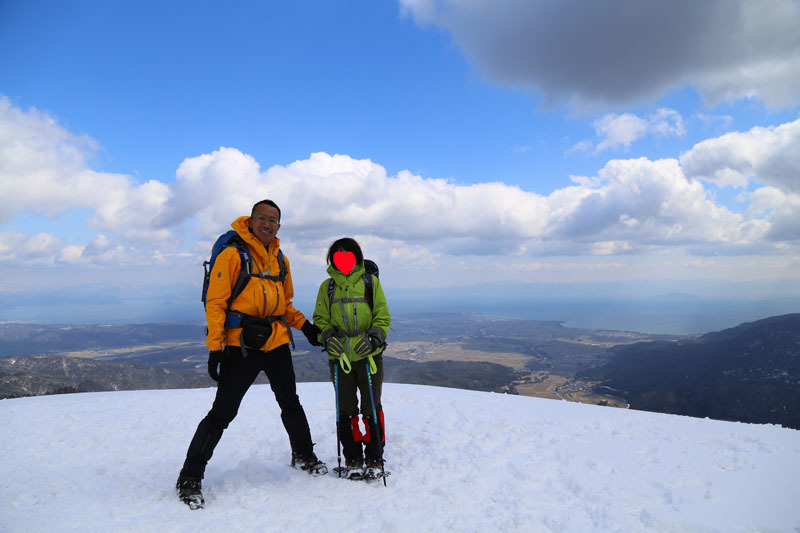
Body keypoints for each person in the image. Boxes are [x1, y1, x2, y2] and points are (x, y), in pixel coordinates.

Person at [176, 199, 326, 509]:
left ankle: (303, 455)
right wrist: (215, 348)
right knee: (222, 413)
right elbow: (215, 303)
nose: (267, 224)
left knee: (290, 402)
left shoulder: (280, 259)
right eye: (262, 218)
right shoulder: (233, 254)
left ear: (279, 226)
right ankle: (190, 476)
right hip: (239, 345)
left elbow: (284, 304)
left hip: (276, 342)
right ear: (251, 220)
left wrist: (307, 328)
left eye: (273, 220)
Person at [313, 238, 391, 480]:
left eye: (349, 254)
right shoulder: (327, 287)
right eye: (338, 255)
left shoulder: (370, 283)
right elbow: (320, 318)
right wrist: (326, 336)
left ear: (357, 257)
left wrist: (374, 339)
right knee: (345, 409)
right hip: (340, 358)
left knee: (370, 407)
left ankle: (375, 457)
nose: (344, 258)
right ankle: (353, 458)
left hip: (369, 357)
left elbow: (382, 315)